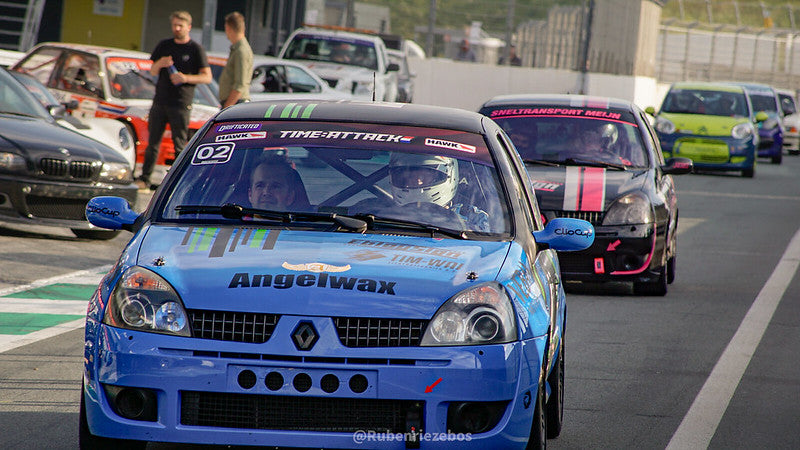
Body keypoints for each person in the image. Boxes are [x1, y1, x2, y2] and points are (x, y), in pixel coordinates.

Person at [136, 10, 212, 191]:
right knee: (153, 142)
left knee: (180, 144)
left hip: (181, 102)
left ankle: (178, 182)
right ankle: (144, 179)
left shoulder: (195, 49)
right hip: (160, 100)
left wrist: (185, 78)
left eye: (181, 26)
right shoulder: (164, 45)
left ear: (189, 27)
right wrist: (160, 63)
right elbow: (152, 71)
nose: (177, 29)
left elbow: (206, 77)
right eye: (174, 25)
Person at [387, 153, 489, 232]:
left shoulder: (473, 217)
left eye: (424, 176)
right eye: (409, 177)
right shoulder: (384, 217)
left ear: (449, 175)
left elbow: (486, 247)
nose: (418, 182)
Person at [218, 11, 253, 108]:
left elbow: (240, 85)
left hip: (237, 104)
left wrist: (226, 108)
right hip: (234, 103)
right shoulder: (237, 49)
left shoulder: (241, 51)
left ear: (228, 28)